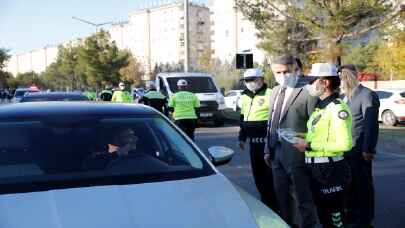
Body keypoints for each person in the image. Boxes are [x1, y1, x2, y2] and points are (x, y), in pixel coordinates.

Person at [293, 63, 352, 228]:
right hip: (316, 170)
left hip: (331, 170)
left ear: (325, 83)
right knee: (323, 216)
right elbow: (321, 136)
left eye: (313, 81)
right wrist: (302, 137)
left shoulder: (338, 108)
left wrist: (309, 145)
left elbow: (344, 143)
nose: (309, 85)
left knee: (335, 220)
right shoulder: (320, 108)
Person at [265, 55, 319, 228]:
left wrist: (309, 148)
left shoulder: (308, 92)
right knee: (282, 197)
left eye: (285, 72)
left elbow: (315, 126)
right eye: (277, 72)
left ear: (295, 69)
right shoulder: (275, 91)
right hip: (275, 152)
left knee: (303, 198)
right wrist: (267, 148)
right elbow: (271, 120)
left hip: (297, 154)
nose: (281, 75)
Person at [339, 64, 380, 228]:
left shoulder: (367, 95)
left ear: (353, 76)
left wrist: (368, 149)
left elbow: (370, 125)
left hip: (359, 151)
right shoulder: (343, 96)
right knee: (349, 186)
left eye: (344, 76)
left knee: (363, 187)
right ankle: (352, 215)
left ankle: (365, 219)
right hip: (344, 150)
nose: (341, 80)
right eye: (340, 77)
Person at [237, 68, 278, 211]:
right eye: (247, 81)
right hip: (253, 143)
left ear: (261, 79)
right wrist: (242, 137)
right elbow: (243, 118)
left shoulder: (271, 93)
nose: (249, 83)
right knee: (258, 176)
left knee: (270, 176)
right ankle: (266, 203)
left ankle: (275, 206)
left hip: (266, 142)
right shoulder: (244, 96)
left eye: (252, 80)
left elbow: (275, 118)